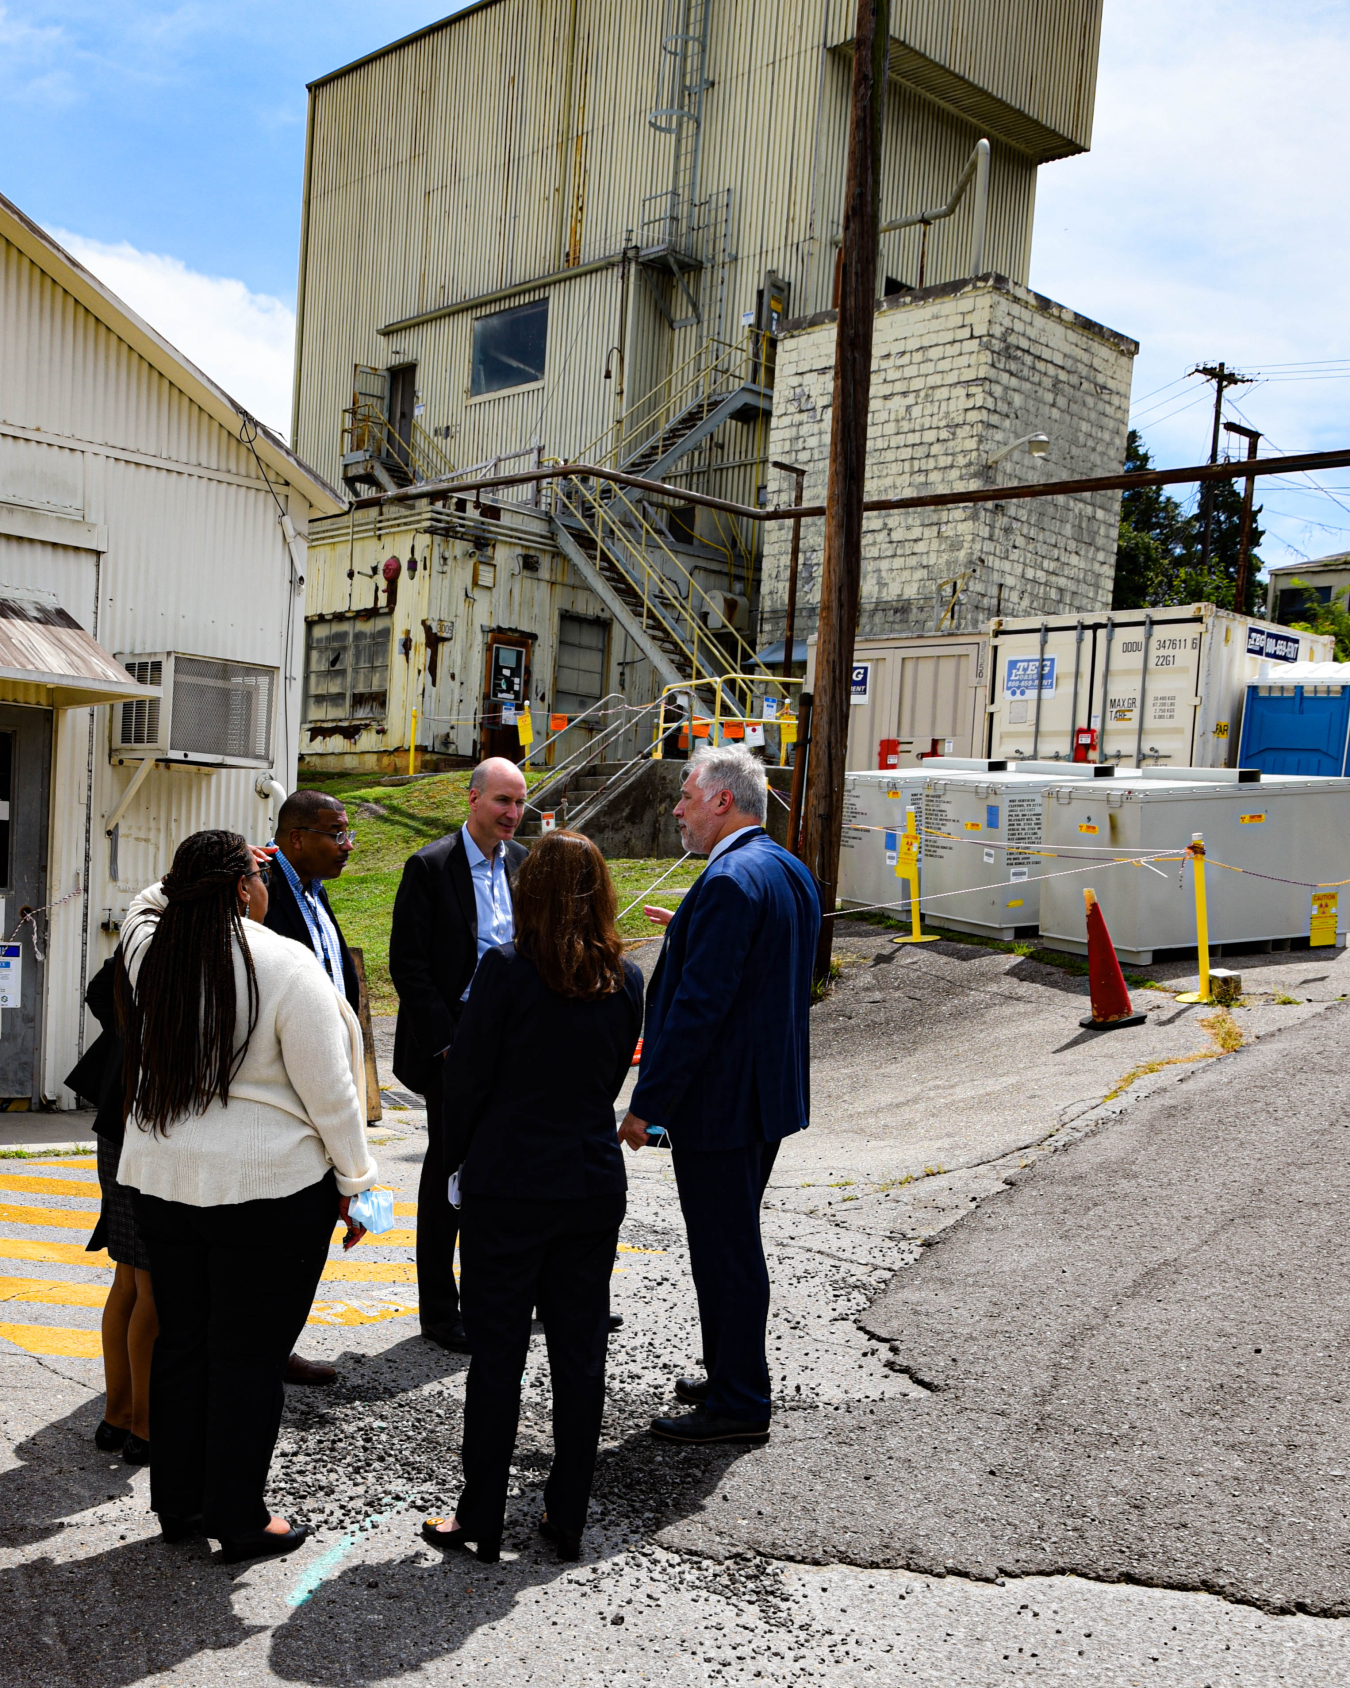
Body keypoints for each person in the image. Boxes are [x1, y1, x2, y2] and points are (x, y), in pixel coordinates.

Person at [116, 829, 378, 1564]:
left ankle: (179, 1502)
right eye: (256, 876)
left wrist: (197, 873)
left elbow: (143, 904)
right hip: (268, 1193)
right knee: (248, 1358)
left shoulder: (149, 953)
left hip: (166, 1183)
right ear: (242, 889)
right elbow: (333, 1096)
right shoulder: (287, 966)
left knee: (184, 1343)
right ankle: (239, 1516)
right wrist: (357, 1185)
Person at [420, 830, 643, 1563]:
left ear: (530, 890)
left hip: (509, 1181)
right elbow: (610, 1076)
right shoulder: (627, 979)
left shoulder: (505, 969)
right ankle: (566, 1514)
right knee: (580, 1356)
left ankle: (480, 1513)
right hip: (588, 1179)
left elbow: (468, 1079)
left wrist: (460, 1160)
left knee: (498, 1355)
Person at [619, 745, 820, 1445]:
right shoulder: (784, 868)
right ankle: (731, 1369)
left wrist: (648, 1103)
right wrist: (689, 929)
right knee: (731, 1246)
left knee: (725, 1252)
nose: (677, 808)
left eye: (686, 795)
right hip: (765, 1099)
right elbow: (763, 966)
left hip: (724, 1106)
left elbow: (699, 1008)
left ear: (723, 802)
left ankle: (738, 1400)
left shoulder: (731, 881)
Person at [389, 756, 528, 1354]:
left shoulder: (524, 864)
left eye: (520, 803)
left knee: (507, 1172)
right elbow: (409, 967)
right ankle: (440, 1313)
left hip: (512, 1039)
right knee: (447, 1175)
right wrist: (448, 1043)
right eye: (502, 801)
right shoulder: (430, 866)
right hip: (453, 1038)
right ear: (473, 800)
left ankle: (500, 1298)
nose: (513, 814)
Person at [262, 786, 363, 1387]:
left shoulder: (316, 897)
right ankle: (262, 1346)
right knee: (285, 1230)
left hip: (319, 1083)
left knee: (309, 1230)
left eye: (347, 833)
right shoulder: (265, 894)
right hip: (285, 1091)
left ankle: (277, 1341)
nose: (346, 846)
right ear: (295, 839)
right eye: (336, 834)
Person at [66, 955, 157, 1465]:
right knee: (149, 1282)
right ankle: (142, 1424)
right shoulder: (186, 933)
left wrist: (131, 1040)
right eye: (258, 872)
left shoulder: (147, 926)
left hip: (123, 1120)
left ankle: (117, 1417)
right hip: (150, 1125)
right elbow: (103, 990)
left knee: (129, 1275)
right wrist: (142, 1043)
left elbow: (101, 989)